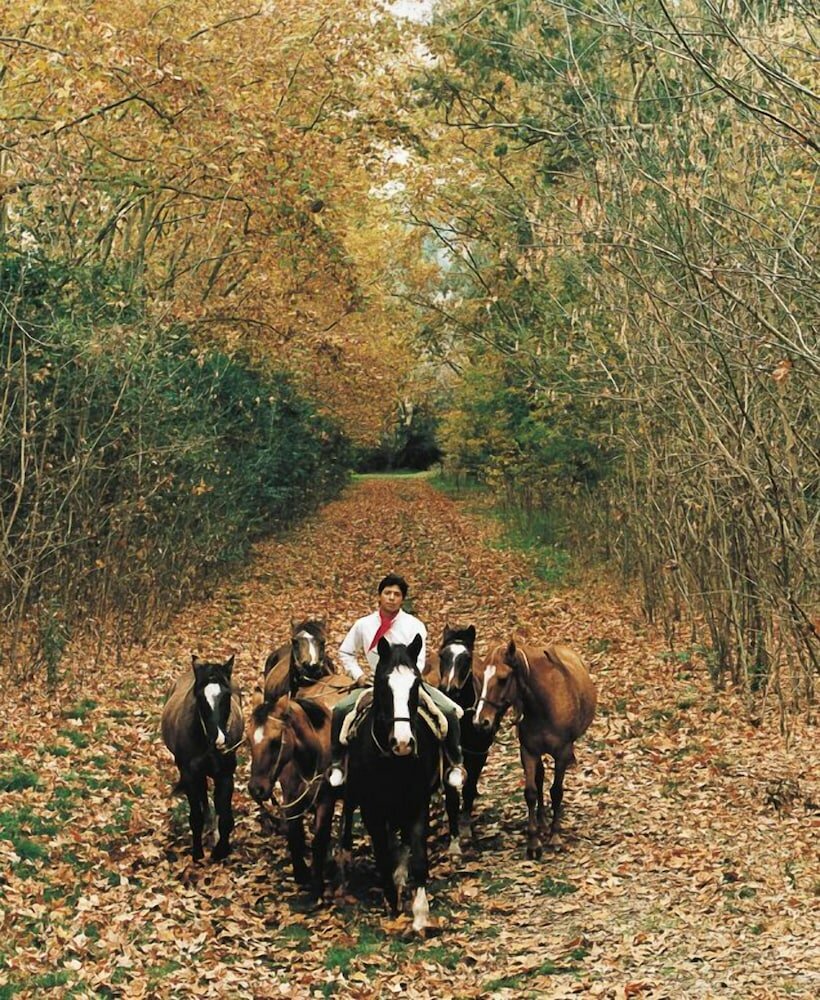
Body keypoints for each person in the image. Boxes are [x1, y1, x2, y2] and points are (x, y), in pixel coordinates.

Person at [328, 573, 465, 790]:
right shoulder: (363, 625)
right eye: (387, 593)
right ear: (379, 596)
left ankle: (454, 764)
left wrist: (407, 680)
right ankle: (337, 764)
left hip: (409, 683)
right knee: (341, 710)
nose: (392, 598)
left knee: (449, 711)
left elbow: (418, 660)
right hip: (376, 683)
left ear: (403, 599)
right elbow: (346, 652)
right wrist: (359, 675)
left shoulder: (414, 625)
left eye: (397, 594)